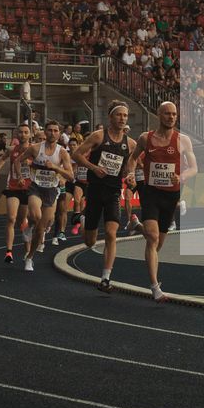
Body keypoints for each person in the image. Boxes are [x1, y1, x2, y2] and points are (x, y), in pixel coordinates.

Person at [132, 100, 195, 302]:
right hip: (151, 193)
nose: (171, 117)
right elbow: (132, 159)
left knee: (157, 242)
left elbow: (194, 168)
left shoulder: (183, 140)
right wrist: (130, 173)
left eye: (174, 114)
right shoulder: (145, 138)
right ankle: (154, 287)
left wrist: (182, 176)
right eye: (167, 114)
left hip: (171, 196)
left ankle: (138, 226)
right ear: (159, 115)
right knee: (152, 238)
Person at [74, 104, 137, 292]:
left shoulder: (130, 143)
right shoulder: (98, 136)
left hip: (113, 192)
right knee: (90, 242)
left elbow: (131, 164)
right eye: (119, 115)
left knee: (111, 234)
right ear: (111, 117)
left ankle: (105, 277)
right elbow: (76, 154)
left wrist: (131, 175)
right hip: (94, 191)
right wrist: (94, 168)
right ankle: (84, 221)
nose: (123, 118)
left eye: (126, 115)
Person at [23, 121, 73, 272]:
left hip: (51, 191)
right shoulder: (35, 148)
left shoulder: (62, 152)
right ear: (45, 132)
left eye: (55, 130)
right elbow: (19, 161)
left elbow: (70, 175)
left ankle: (29, 257)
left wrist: (56, 168)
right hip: (36, 188)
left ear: (59, 133)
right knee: (35, 215)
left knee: (41, 229)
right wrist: (23, 173)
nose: (52, 133)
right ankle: (30, 225)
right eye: (49, 130)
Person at [0, 125, 35, 265]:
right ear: (16, 134)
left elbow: (41, 164)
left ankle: (27, 250)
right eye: (20, 132)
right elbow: (3, 158)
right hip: (13, 188)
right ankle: (9, 251)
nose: (23, 135)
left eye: (26, 132)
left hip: (28, 188)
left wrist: (30, 163)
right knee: (11, 218)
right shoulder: (11, 149)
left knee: (23, 220)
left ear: (30, 134)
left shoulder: (34, 149)